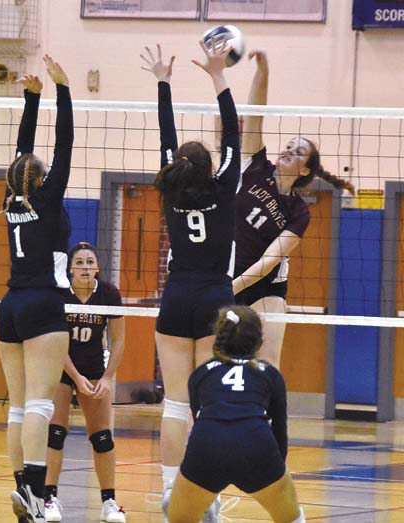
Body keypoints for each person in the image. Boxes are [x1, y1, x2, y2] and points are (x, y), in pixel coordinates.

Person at [141, 40, 241, 523]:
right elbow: (234, 132)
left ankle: (169, 492)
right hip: (216, 299)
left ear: (177, 167)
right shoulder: (225, 185)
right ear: (212, 166)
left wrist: (163, 81)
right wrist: (218, 76)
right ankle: (210, 499)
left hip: (176, 296)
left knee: (176, 405)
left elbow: (167, 133)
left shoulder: (170, 189)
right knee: (209, 405)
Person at [233, 50, 355, 368]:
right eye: (288, 145)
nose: (288, 150)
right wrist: (263, 71)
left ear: (305, 170)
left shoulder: (299, 211)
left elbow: (269, 261)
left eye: (298, 151)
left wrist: (231, 288)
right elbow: (255, 114)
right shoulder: (254, 166)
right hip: (227, 274)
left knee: (266, 365)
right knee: (220, 360)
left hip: (266, 288)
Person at [0, 55, 73, 523]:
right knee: (41, 405)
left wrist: (32, 98)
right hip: (43, 303)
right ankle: (38, 498)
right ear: (42, 180)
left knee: (19, 408)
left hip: (9, 307)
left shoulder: (11, 200)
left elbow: (23, 151)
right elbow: (64, 145)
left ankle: (23, 489)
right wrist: (63, 90)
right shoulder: (46, 200)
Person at [165, 306, 306, 523]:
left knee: (178, 519)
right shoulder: (270, 374)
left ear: (219, 335)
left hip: (208, 445)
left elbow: (199, 422)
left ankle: (197, 502)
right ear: (259, 341)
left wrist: (198, 474)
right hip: (256, 445)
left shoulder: (201, 373)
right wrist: (276, 472)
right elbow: (280, 428)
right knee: (291, 518)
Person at [43, 242, 126, 523]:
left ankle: (109, 502)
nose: (85, 267)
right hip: (61, 367)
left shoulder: (108, 294)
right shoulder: (60, 293)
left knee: (102, 438)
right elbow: (56, 344)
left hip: (93, 368)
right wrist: (76, 378)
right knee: (55, 433)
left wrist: (107, 378)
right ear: (70, 268)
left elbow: (119, 340)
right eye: (79, 262)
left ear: (98, 267)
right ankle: (49, 498)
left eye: (90, 262)